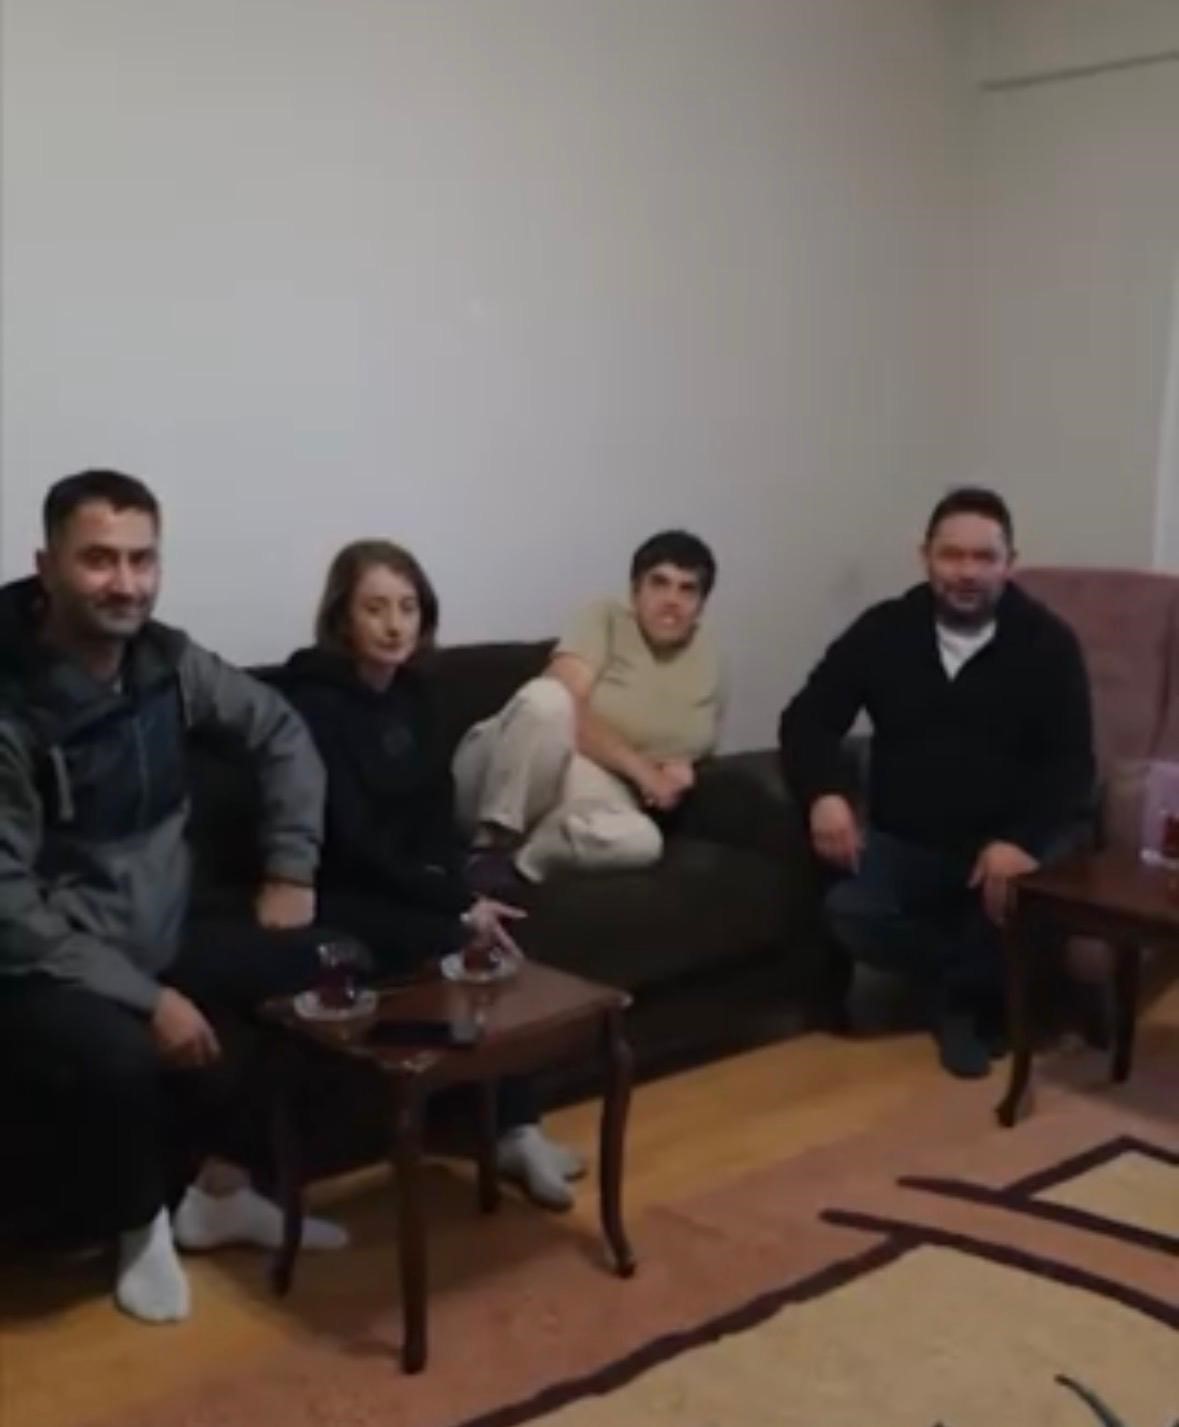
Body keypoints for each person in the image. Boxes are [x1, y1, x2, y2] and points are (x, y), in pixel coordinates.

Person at [0, 470, 347, 1326]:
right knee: (123, 1058)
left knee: (325, 967)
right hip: (49, 957)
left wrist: (291, 868)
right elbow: (7, 901)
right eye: (99, 559)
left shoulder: (171, 660)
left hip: (165, 926)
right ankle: (140, 1223)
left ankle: (216, 1193)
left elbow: (281, 730)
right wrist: (147, 1000)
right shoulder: (11, 702)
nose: (126, 583)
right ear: (46, 566)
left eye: (142, 559)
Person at [275, 540, 585, 1211]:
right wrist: (454, 905)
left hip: (406, 880)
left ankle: (515, 1128)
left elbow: (434, 813)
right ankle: (486, 1122)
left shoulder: (416, 694)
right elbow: (351, 839)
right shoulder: (311, 704)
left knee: (500, 925)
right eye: (375, 608)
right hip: (339, 888)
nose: (394, 625)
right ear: (342, 617)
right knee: (460, 938)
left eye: (407, 607)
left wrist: (464, 886)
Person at [778, 488, 1095, 1079]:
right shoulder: (884, 630)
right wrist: (825, 794)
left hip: (1011, 841)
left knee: (1030, 895)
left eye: (984, 557)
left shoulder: (1048, 643)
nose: (967, 572)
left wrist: (1020, 842)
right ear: (924, 556)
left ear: (1010, 563)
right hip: (910, 842)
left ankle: (963, 1004)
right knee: (848, 911)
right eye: (952, 555)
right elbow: (807, 720)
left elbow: (1072, 766)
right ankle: (971, 987)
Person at [453, 530, 723, 883]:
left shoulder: (709, 659)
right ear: (635, 591)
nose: (672, 600)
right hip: (507, 770)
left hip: (593, 791)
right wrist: (644, 772)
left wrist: (683, 769)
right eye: (659, 583)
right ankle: (491, 843)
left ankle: (519, 866)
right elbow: (566, 706)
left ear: (701, 605)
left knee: (641, 842)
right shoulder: (604, 617)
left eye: (687, 589)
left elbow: (696, 743)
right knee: (549, 699)